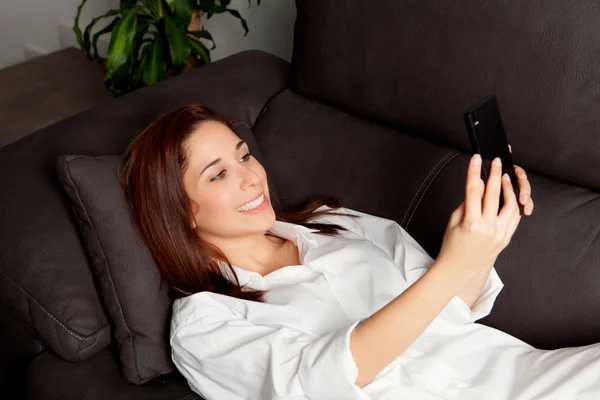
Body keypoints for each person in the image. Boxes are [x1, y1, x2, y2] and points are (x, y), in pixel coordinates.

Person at [121, 104, 599, 400]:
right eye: (218, 173)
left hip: (519, 377)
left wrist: (481, 241)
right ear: (180, 211)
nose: (251, 176)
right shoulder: (205, 323)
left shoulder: (338, 224)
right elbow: (318, 385)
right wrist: (451, 266)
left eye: (244, 154)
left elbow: (451, 310)